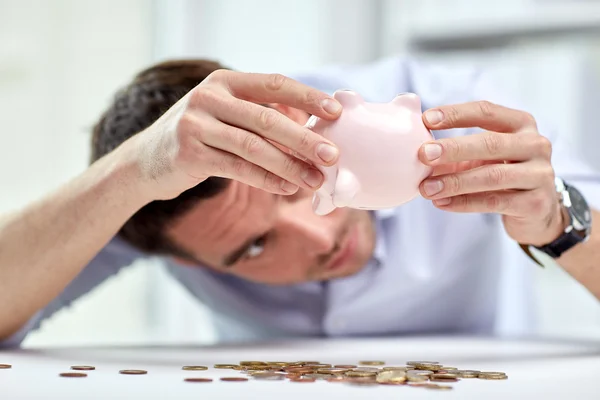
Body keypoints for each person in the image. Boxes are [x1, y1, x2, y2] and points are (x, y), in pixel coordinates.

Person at [1, 55, 599, 347]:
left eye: (303, 180)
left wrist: (557, 221)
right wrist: (129, 171)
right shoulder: (152, 207)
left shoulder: (454, 114)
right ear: (184, 261)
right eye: (254, 245)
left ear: (299, 121)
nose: (321, 238)